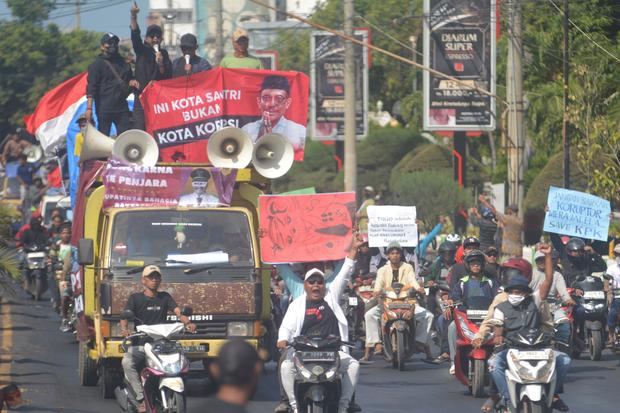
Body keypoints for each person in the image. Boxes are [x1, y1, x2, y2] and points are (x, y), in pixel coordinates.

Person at [276, 235, 359, 413]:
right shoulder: (297, 304)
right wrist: (282, 339)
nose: (316, 285)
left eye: (319, 282)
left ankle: (344, 406)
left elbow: (346, 268)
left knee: (353, 365)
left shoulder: (331, 295)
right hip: (302, 353)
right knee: (285, 366)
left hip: (331, 352)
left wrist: (354, 248)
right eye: (311, 282)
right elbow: (286, 326)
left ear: (324, 285)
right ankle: (293, 405)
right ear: (304, 285)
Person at [488, 244, 571, 413]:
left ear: (526, 293)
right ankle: (505, 399)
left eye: (519, 291)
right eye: (513, 291)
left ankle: (554, 394)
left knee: (564, 360)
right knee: (494, 365)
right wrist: (498, 337)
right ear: (508, 291)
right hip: (513, 348)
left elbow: (548, 280)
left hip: (539, 347)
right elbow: (497, 326)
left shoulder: (534, 300)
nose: (516, 294)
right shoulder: (501, 307)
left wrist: (548, 256)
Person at [120, 265, 196, 413]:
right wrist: (125, 330)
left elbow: (178, 312)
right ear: (143, 280)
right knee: (127, 361)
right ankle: (140, 397)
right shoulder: (135, 298)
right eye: (151, 277)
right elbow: (125, 316)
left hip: (162, 345)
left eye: (157, 277)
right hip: (142, 345)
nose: (154, 280)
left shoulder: (165, 297)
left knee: (183, 359)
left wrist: (187, 323)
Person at [361, 241, 435, 363]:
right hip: (386, 302)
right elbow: (378, 284)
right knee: (369, 315)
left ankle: (419, 341)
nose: (395, 255)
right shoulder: (382, 270)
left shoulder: (408, 267)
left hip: (407, 302)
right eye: (392, 253)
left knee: (428, 316)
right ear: (387, 255)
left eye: (397, 253)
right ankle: (376, 343)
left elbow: (412, 280)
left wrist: (418, 288)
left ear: (401, 255)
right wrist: (377, 291)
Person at [435, 250, 500, 369]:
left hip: (487, 317)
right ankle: (454, 361)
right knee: (452, 328)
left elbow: (498, 297)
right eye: (473, 263)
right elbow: (453, 298)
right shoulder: (462, 283)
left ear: (482, 265)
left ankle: (498, 360)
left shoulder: (491, 282)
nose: (476, 265)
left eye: (478, 263)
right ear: (468, 265)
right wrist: (449, 303)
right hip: (466, 317)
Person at [550, 235, 607, 341]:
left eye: (579, 251)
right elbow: (555, 239)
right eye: (574, 251)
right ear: (568, 251)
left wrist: (594, 253)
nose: (577, 254)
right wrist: (550, 222)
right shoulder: (564, 256)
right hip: (569, 294)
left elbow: (602, 267)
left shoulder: (586, 259)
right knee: (580, 311)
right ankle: (577, 329)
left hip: (587, 292)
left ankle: (605, 334)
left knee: (603, 310)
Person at [130, 2, 172, 130]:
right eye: (152, 36)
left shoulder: (164, 53)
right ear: (147, 38)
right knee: (140, 126)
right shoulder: (142, 50)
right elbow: (135, 36)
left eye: (157, 36)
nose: (155, 39)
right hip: (142, 96)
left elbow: (168, 76)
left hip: (158, 98)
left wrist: (160, 64)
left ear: (161, 39)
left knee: (158, 127)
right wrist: (133, 16)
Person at [85, 33, 136, 135]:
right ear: (102, 46)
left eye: (115, 43)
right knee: (103, 138)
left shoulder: (123, 62)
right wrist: (89, 108)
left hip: (122, 107)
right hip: (104, 109)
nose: (113, 45)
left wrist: (132, 81)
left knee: (126, 137)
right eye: (109, 43)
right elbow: (91, 88)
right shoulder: (96, 65)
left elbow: (129, 80)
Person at [241, 75, 306, 152]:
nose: (272, 104)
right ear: (259, 102)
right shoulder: (247, 130)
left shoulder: (300, 132)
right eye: (266, 98)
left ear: (287, 103)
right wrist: (260, 136)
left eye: (279, 99)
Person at [530, 250, 574, 346]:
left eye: (543, 259)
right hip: (534, 307)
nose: (541, 262)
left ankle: (562, 345)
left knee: (563, 321)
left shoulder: (557, 275)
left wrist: (568, 299)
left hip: (552, 307)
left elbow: (563, 291)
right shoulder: (530, 274)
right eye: (539, 260)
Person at [605, 244, 620, 346]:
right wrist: (607, 289)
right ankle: (610, 334)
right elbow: (606, 280)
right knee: (613, 313)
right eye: (618, 254)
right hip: (617, 295)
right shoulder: (611, 268)